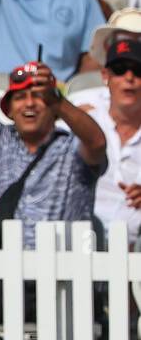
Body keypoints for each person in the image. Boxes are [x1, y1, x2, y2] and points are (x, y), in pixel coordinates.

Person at [0, 19, 107, 250]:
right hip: (10, 273)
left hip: (67, 277)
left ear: (54, 107)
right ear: (9, 110)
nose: (29, 103)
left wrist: (58, 100)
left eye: (39, 97)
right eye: (20, 97)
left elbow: (97, 142)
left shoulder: (71, 147)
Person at [72, 35, 141, 249]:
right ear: (105, 76)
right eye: (120, 69)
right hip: (83, 246)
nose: (129, 77)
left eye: (138, 70)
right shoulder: (86, 122)